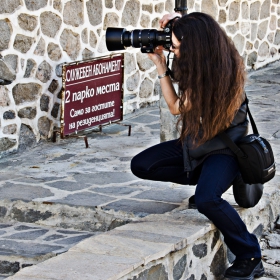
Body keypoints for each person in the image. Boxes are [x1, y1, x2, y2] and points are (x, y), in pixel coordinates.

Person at [130, 12, 264, 280]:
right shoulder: (200, 62)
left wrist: (162, 63)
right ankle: (208, 179)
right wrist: (176, 32)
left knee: (207, 199)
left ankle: (250, 255)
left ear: (196, 48)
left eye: (177, 48)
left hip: (226, 150)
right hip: (197, 144)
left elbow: (176, 107)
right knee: (142, 165)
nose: (174, 52)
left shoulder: (221, 72)